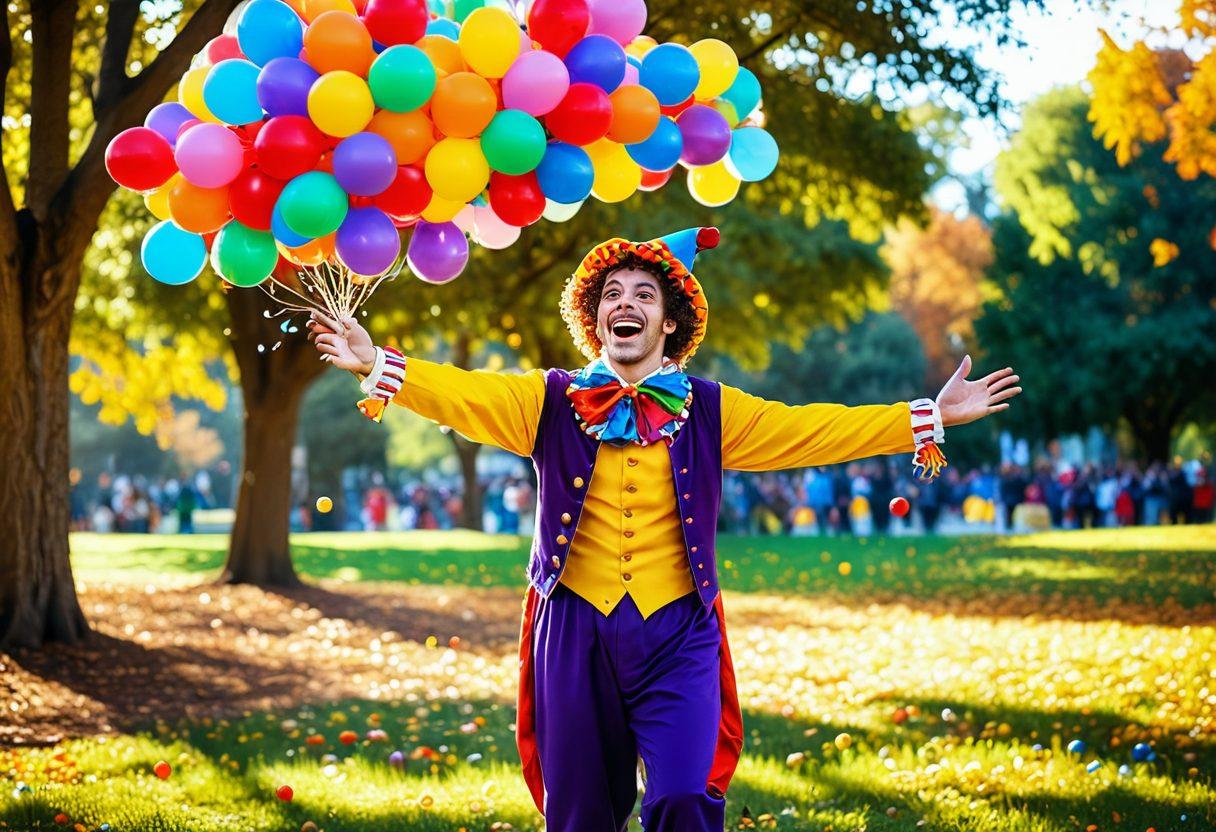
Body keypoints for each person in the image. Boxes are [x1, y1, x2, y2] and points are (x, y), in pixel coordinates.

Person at [307, 227, 1022, 832]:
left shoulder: (712, 409)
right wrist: (378, 362)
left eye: (644, 295)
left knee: (683, 793)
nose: (627, 303)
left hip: (678, 632)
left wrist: (926, 416)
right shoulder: (547, 401)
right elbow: (465, 392)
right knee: (581, 811)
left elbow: (812, 431)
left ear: (669, 322)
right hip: (574, 629)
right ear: (595, 318)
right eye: (613, 294)